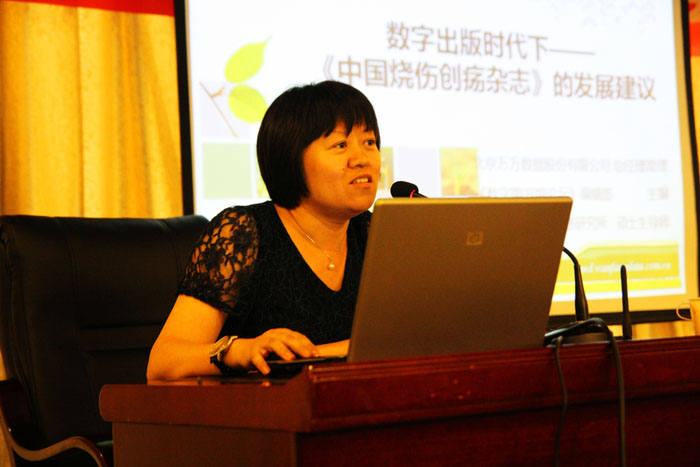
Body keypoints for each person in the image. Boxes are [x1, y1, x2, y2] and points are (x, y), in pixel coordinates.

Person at [146, 81, 381, 379]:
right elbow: (162, 362)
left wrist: (320, 354)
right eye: (340, 145)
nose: (362, 158)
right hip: (259, 405)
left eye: (369, 142)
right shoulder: (242, 233)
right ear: (291, 157)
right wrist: (239, 350)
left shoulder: (374, 233)